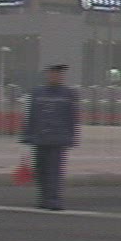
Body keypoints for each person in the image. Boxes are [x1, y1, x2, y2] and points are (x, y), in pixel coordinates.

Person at [20, 64, 79, 211]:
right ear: (48, 75)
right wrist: (27, 135)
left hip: (58, 139)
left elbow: (72, 118)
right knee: (40, 170)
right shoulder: (37, 93)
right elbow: (31, 115)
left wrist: (72, 137)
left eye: (59, 74)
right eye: (53, 74)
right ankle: (43, 198)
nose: (56, 77)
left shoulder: (68, 94)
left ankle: (54, 199)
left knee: (54, 171)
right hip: (40, 138)